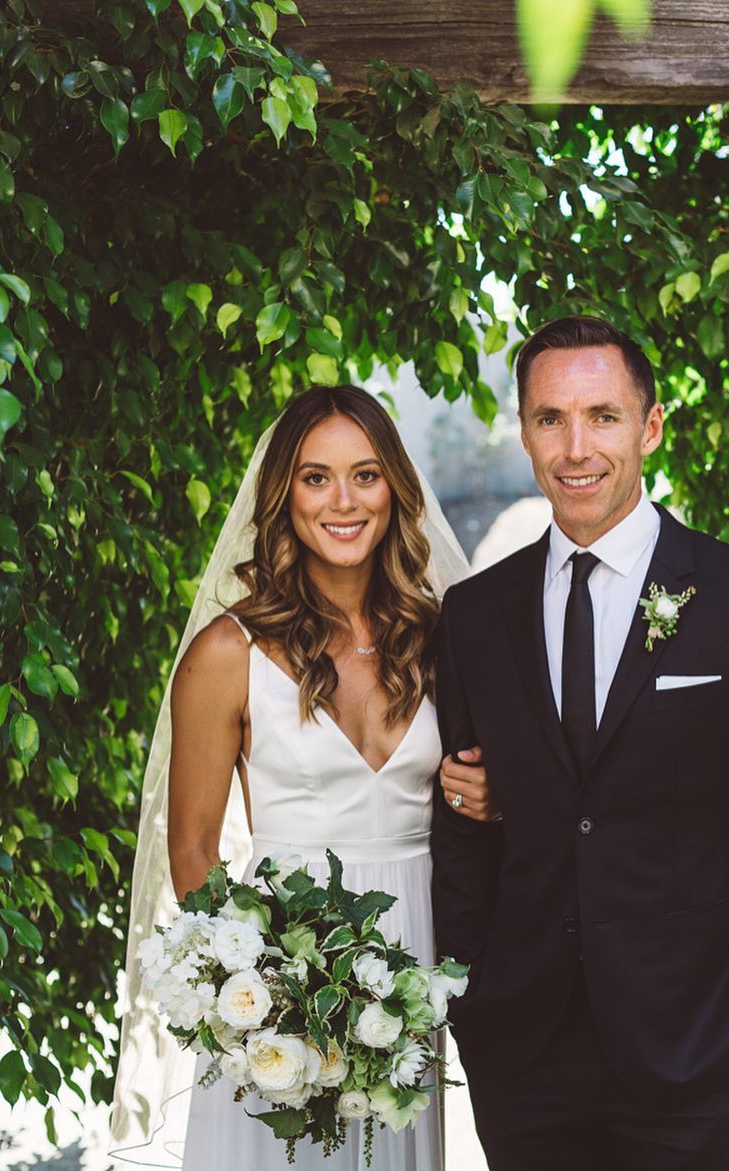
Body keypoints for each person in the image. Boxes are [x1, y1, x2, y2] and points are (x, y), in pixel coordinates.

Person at [432, 316, 729, 1171]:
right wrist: (466, 998)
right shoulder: (474, 614)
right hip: (523, 1054)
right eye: (550, 418)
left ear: (649, 427)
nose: (575, 447)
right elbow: (467, 822)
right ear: (525, 429)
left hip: (695, 1045)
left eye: (602, 416)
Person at [111, 385, 496, 1170]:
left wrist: (488, 799)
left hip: (414, 963)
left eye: (365, 474)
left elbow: (485, 788)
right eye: (316, 477)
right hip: (280, 978)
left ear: (395, 486)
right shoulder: (228, 653)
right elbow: (191, 853)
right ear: (284, 493)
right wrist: (268, 1006)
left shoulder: (441, 639)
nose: (343, 501)